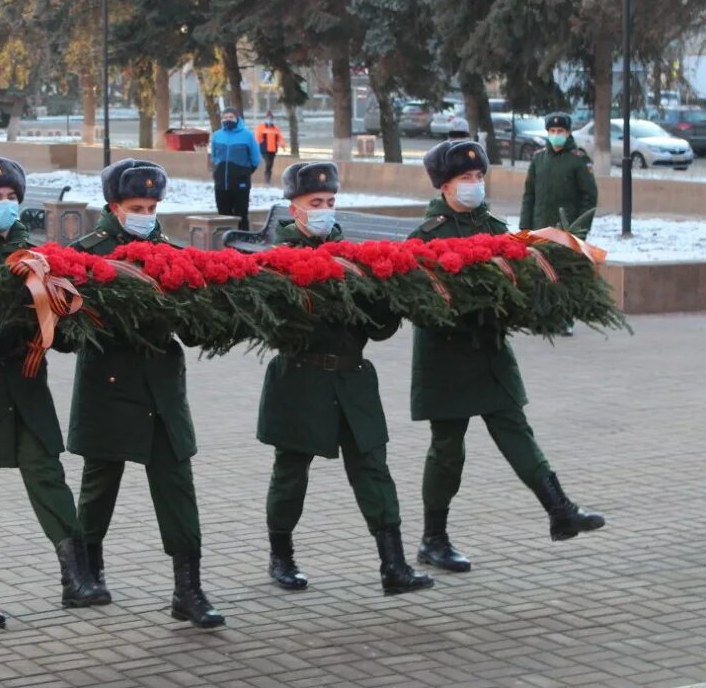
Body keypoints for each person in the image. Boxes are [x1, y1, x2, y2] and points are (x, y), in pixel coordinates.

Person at [410, 141, 605, 572]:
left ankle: (560, 510)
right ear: (444, 186)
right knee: (447, 450)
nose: (474, 185)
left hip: (491, 352)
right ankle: (433, 539)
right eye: (465, 179)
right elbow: (419, 302)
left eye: (479, 178)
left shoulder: (497, 229)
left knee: (515, 429)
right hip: (445, 359)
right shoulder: (426, 237)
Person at [0, 156, 107, 628]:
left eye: (12, 198)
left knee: (47, 474)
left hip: (28, 387)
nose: (5, 206)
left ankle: (76, 576)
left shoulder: (38, 258)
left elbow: (65, 323)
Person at [259, 162, 434, 596]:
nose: (324, 210)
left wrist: (388, 300)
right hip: (302, 380)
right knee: (291, 472)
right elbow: (273, 327)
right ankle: (281, 557)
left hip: (352, 378)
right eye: (314, 203)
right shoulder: (275, 260)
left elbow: (376, 328)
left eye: (330, 203)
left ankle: (393, 566)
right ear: (293, 207)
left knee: (373, 468)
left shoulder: (352, 257)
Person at [69, 159, 225, 629]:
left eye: (153, 206)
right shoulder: (85, 256)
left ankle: (188, 589)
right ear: (113, 206)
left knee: (177, 482)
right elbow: (67, 331)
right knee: (100, 484)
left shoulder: (172, 254)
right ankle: (87, 573)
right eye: (136, 206)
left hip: (160, 385)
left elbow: (197, 331)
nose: (146, 214)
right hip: (110, 383)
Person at [519, 112, 597, 236]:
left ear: (568, 132)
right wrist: (524, 227)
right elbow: (529, 195)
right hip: (539, 228)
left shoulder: (579, 160)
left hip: (567, 231)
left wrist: (580, 230)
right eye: (552, 130)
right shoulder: (538, 159)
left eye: (560, 131)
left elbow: (589, 198)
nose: (556, 134)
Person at [211, 108, 260, 230]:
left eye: (231, 117)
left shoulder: (247, 135)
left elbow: (255, 158)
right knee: (223, 215)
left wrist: (245, 172)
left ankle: (243, 244)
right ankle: (225, 245)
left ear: (237, 118)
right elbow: (214, 156)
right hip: (221, 184)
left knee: (241, 215)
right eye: (225, 117)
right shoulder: (217, 135)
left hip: (240, 184)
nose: (228, 119)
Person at [254, 112, 284, 185]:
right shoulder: (261, 127)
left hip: (273, 149)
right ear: (265, 118)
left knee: (270, 164)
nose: (269, 119)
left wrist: (282, 145)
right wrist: (257, 144)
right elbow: (257, 137)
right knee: (268, 163)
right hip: (264, 149)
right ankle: (267, 179)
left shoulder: (276, 128)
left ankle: (268, 179)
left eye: (271, 118)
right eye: (268, 118)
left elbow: (279, 138)